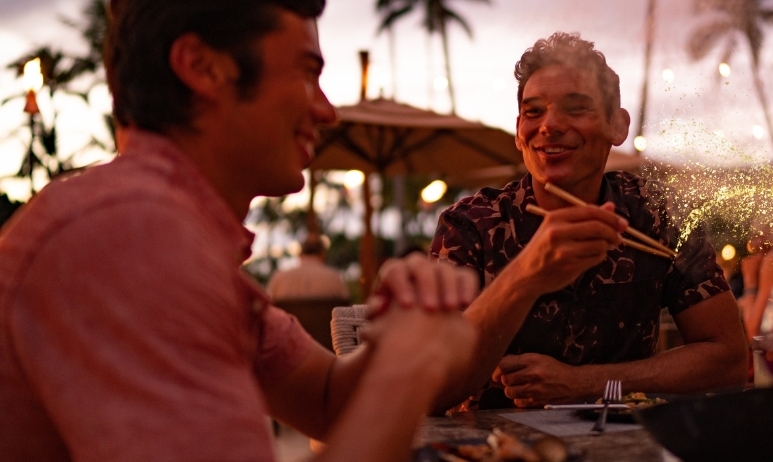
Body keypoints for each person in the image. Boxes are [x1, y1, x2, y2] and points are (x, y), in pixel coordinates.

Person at [0, 1, 481, 461]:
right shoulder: (126, 233)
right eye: (308, 72)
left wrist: (399, 331)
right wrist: (407, 369)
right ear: (203, 67)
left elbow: (328, 401)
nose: (326, 111)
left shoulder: (174, 233)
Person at [430, 32, 748, 409]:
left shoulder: (658, 217)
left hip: (622, 444)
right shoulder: (472, 225)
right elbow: (430, 389)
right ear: (519, 132)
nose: (549, 125)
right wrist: (528, 274)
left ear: (618, 125)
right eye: (533, 111)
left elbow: (730, 360)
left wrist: (586, 383)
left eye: (576, 108)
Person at [267, 233, 350, 302]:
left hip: (288, 322)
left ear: (300, 255)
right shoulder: (335, 279)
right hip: (324, 322)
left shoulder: (279, 279)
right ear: (323, 255)